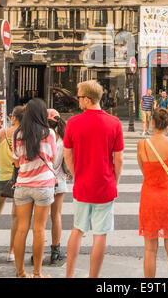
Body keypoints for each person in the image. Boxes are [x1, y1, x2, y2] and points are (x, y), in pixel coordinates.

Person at [63, 80, 124, 278]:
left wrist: (75, 174)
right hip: (104, 186)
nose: (77, 100)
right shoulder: (114, 123)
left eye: (79, 97)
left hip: (82, 185)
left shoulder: (73, 123)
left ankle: (69, 275)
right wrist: (114, 182)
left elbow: (67, 155)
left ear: (87, 99)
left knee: (77, 229)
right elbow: (119, 159)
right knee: (100, 234)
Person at [12, 98, 57, 278]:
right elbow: (52, 158)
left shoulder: (18, 134)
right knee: (39, 229)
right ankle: (37, 273)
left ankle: (21, 272)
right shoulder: (49, 134)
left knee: (21, 229)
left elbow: (16, 161)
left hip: (23, 184)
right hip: (43, 186)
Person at [137, 108, 168, 278]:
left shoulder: (142, 145)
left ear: (152, 123)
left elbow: (144, 171)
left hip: (149, 198)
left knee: (150, 249)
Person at [0, 106, 25, 262]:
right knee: (16, 218)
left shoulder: (1, 134)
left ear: (13, 118)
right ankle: (11, 252)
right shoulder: (25, 135)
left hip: (2, 178)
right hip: (19, 179)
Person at [47, 108, 70, 265]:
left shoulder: (42, 136)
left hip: (42, 181)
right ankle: (55, 252)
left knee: (40, 221)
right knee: (56, 216)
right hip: (59, 180)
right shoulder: (63, 138)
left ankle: (37, 251)